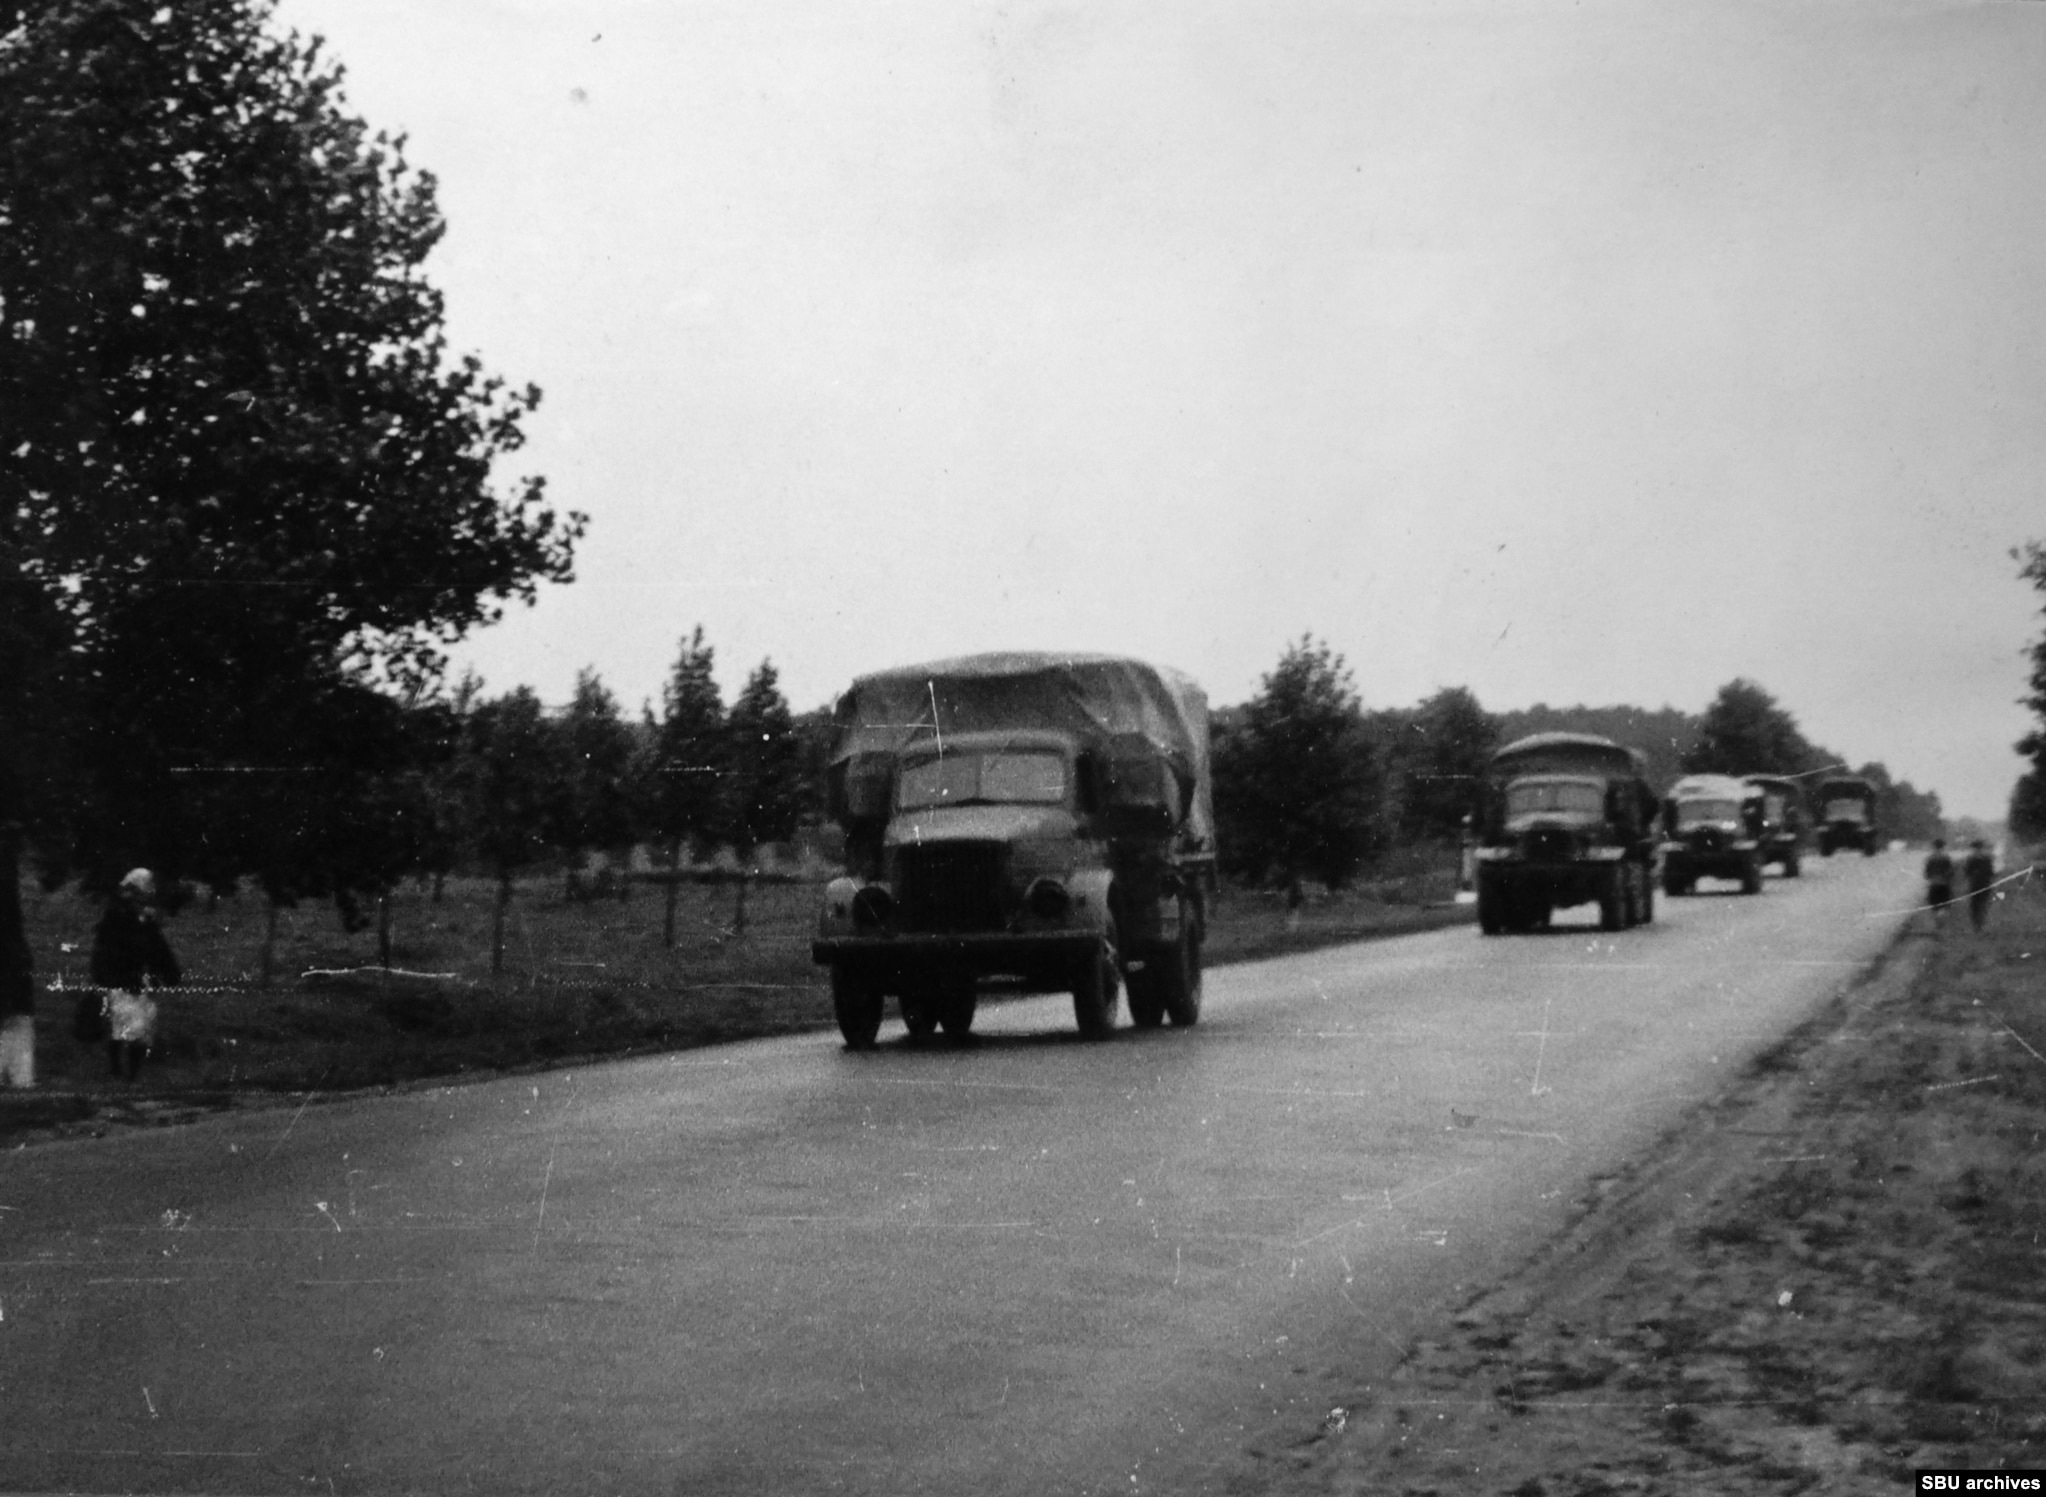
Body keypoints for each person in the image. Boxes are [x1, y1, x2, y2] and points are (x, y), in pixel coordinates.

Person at [89, 868, 180, 1082]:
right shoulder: (117, 918)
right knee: (121, 1027)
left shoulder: (143, 920)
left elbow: (157, 948)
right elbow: (105, 950)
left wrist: (168, 973)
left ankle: (130, 1075)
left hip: (137, 982)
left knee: (138, 1031)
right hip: (120, 981)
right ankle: (118, 1071)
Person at [1964, 839, 1998, 933]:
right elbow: (1991, 872)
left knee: (1975, 905)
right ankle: (1980, 924)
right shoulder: (1987, 859)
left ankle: (1976, 925)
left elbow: (1967, 872)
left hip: (1975, 884)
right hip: (1985, 884)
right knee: (1982, 904)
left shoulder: (1970, 859)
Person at [1922, 838, 1955, 931]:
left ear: (1934, 847)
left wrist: (1931, 877)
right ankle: (1941, 920)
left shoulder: (1930, 858)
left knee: (1934, 903)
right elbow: (1951, 872)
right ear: (1943, 847)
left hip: (1933, 883)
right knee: (1945, 903)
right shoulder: (1946, 858)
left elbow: (1926, 873)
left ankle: (1937, 920)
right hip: (1944, 883)